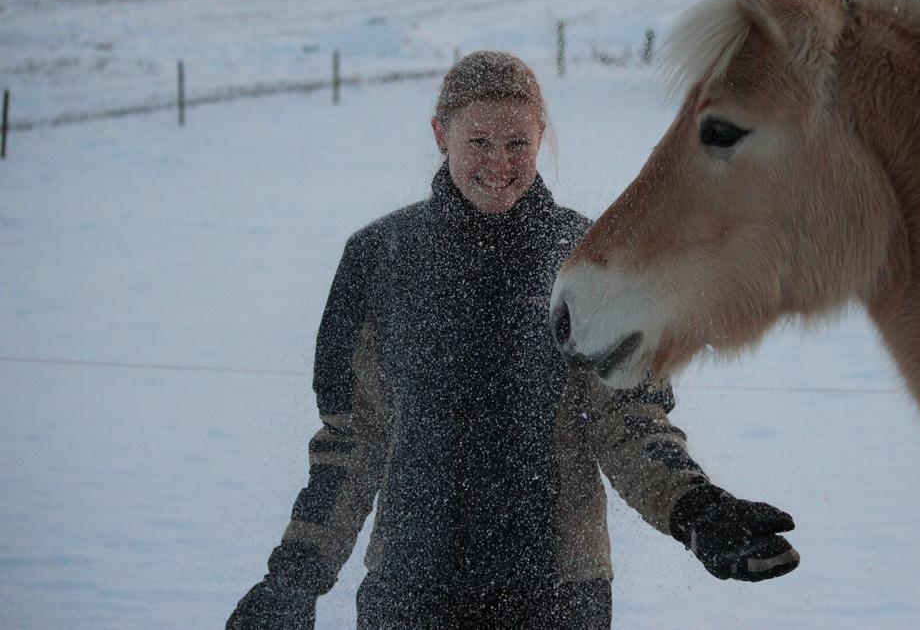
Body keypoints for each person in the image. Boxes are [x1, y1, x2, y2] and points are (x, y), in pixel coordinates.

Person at [227, 51, 798, 630]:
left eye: (517, 144)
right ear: (439, 133)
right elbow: (352, 440)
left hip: (556, 596)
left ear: (540, 137)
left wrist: (695, 510)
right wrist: (294, 577)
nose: (498, 163)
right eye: (478, 142)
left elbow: (630, 421)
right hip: (408, 591)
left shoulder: (590, 260)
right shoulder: (379, 258)